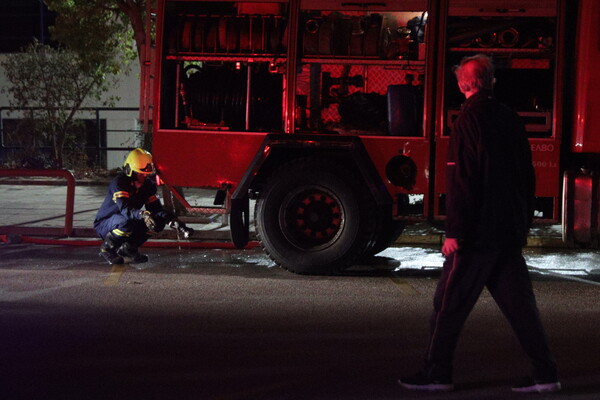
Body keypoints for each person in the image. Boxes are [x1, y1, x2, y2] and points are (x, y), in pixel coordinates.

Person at [398, 54, 560, 393]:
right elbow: (526, 177)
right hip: (507, 231)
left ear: (463, 85)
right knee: (521, 309)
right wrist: (522, 221)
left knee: (448, 305)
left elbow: (464, 180)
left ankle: (437, 373)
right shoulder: (509, 118)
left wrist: (455, 231)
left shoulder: (469, 120)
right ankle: (546, 375)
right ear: (490, 81)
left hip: (477, 235)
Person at [94, 148, 189, 264]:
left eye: (146, 174)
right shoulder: (119, 183)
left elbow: (156, 209)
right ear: (130, 171)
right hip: (106, 223)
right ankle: (108, 248)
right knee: (126, 222)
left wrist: (170, 219)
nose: (144, 178)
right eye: (140, 174)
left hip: (128, 220)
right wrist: (142, 214)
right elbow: (126, 210)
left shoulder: (147, 185)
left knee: (157, 223)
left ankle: (129, 249)